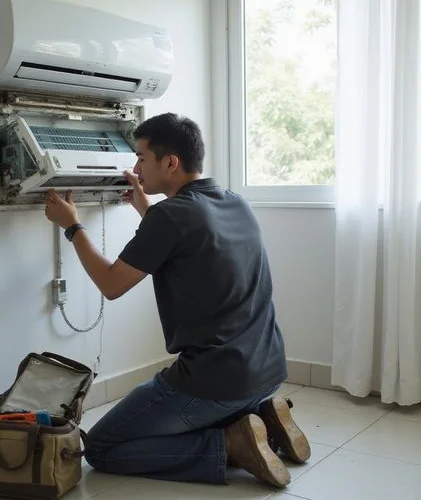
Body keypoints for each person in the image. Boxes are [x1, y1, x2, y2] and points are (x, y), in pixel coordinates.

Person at [42, 112, 310, 488]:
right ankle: (262, 417)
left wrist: (72, 226)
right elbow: (187, 237)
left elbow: (111, 284)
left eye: (141, 158)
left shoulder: (169, 216)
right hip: (267, 370)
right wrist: (146, 209)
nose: (136, 169)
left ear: (171, 162)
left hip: (217, 382)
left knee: (102, 448)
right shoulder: (235, 202)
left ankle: (231, 445)